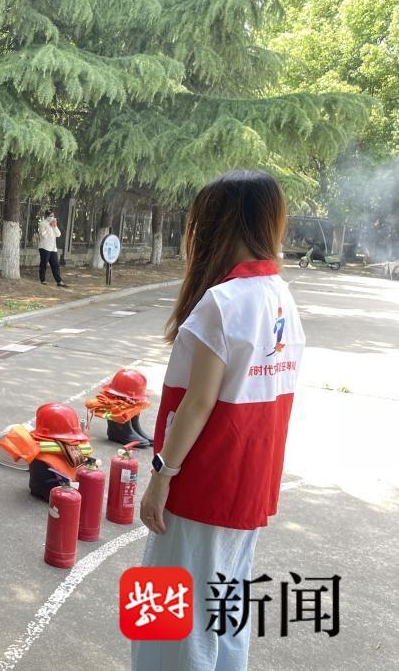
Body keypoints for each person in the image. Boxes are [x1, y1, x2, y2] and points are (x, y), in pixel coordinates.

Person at [134, 170, 305, 671]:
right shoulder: (280, 296)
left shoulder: (223, 302)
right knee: (224, 613)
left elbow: (198, 404)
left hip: (202, 485)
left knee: (170, 620)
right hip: (248, 484)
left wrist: (161, 476)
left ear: (219, 224)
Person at [37, 210, 67, 287]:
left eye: (53, 216)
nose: (52, 217)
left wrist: (55, 226)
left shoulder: (54, 223)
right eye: (51, 216)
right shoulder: (42, 223)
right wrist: (49, 226)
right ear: (47, 216)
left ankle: (59, 281)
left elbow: (58, 234)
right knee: (44, 264)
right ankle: (42, 280)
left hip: (53, 248)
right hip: (44, 247)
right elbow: (43, 235)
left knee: (55, 265)